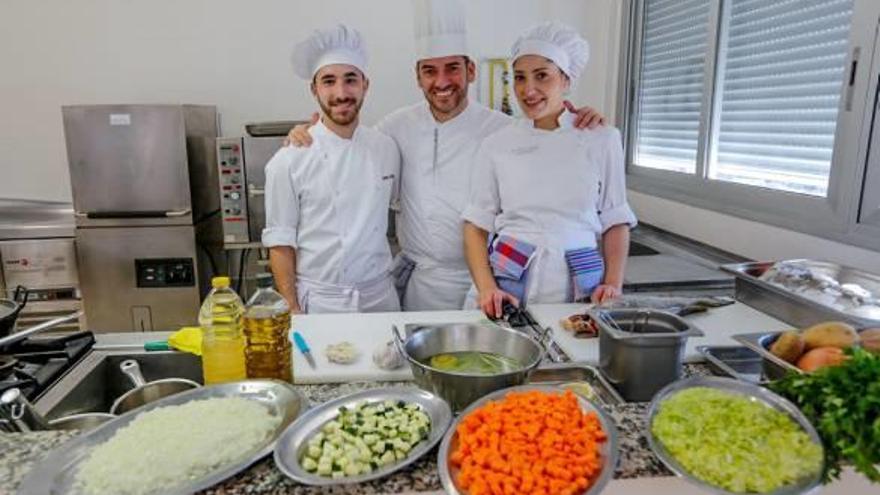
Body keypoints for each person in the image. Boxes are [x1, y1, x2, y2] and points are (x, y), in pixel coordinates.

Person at [287, 0, 606, 312]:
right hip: (420, 280)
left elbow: (554, 149)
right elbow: (349, 143)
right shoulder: (394, 127)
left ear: (470, 70)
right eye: (430, 71)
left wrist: (577, 120)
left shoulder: (505, 131)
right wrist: (308, 131)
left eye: (452, 68)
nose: (441, 82)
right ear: (418, 77)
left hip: (490, 280)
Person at [462, 21, 637, 318]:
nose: (528, 90)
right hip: (506, 286)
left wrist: (612, 283)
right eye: (519, 77)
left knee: (570, 361)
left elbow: (615, 219)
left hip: (581, 288)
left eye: (542, 76)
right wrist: (487, 288)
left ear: (566, 80)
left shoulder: (602, 138)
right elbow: (475, 225)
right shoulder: (497, 144)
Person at [262, 24, 400, 314]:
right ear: (314, 89)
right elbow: (280, 242)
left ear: (365, 84)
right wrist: (292, 307)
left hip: (381, 298)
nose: (341, 92)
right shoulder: (289, 159)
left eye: (350, 80)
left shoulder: (386, 147)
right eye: (328, 81)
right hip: (322, 301)